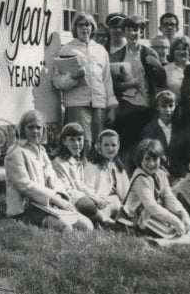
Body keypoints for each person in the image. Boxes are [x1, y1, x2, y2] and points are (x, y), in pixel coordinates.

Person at [4, 111, 94, 232]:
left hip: (47, 205)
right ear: (23, 129)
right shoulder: (15, 151)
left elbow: (53, 178)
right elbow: (24, 185)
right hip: (26, 209)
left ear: (43, 130)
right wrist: (53, 198)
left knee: (87, 226)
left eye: (38, 127)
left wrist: (59, 197)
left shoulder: (41, 151)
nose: (35, 131)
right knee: (65, 227)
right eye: (30, 127)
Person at [51, 12, 117, 146]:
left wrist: (111, 107)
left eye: (88, 25)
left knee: (99, 143)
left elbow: (107, 80)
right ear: (75, 28)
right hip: (76, 104)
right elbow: (56, 81)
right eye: (80, 25)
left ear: (92, 28)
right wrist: (72, 77)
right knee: (81, 143)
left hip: (98, 104)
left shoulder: (100, 50)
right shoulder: (66, 50)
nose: (84, 28)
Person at [109, 15, 165, 166]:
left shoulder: (149, 53)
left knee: (143, 146)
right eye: (128, 30)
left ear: (141, 31)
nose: (132, 34)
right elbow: (112, 85)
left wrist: (158, 66)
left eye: (135, 30)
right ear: (124, 32)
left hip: (145, 105)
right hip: (126, 104)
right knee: (126, 145)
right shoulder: (116, 55)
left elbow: (161, 81)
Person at [118, 138, 190, 238]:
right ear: (140, 159)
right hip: (131, 220)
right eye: (147, 159)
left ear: (161, 159)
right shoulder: (140, 176)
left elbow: (169, 197)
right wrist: (174, 220)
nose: (151, 164)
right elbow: (151, 206)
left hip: (148, 216)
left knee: (179, 227)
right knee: (172, 231)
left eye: (155, 159)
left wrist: (183, 213)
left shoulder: (161, 174)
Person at [51, 123, 115, 226]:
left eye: (79, 139)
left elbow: (81, 185)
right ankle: (106, 222)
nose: (76, 143)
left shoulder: (78, 160)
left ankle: (107, 221)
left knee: (105, 202)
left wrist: (95, 197)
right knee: (87, 205)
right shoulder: (58, 163)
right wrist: (90, 198)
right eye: (72, 140)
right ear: (64, 141)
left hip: (80, 196)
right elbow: (66, 190)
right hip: (68, 200)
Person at [83, 129, 130, 220]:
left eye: (113, 145)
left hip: (118, 205)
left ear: (118, 146)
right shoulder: (91, 166)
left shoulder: (120, 168)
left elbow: (126, 193)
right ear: (98, 146)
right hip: (100, 205)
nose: (110, 149)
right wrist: (101, 201)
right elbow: (87, 190)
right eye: (106, 145)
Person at [141, 90, 185, 179]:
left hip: (177, 175)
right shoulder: (149, 130)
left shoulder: (179, 129)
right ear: (157, 107)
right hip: (155, 173)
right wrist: (168, 177)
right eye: (163, 106)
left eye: (171, 106)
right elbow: (150, 157)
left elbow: (182, 156)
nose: (168, 110)